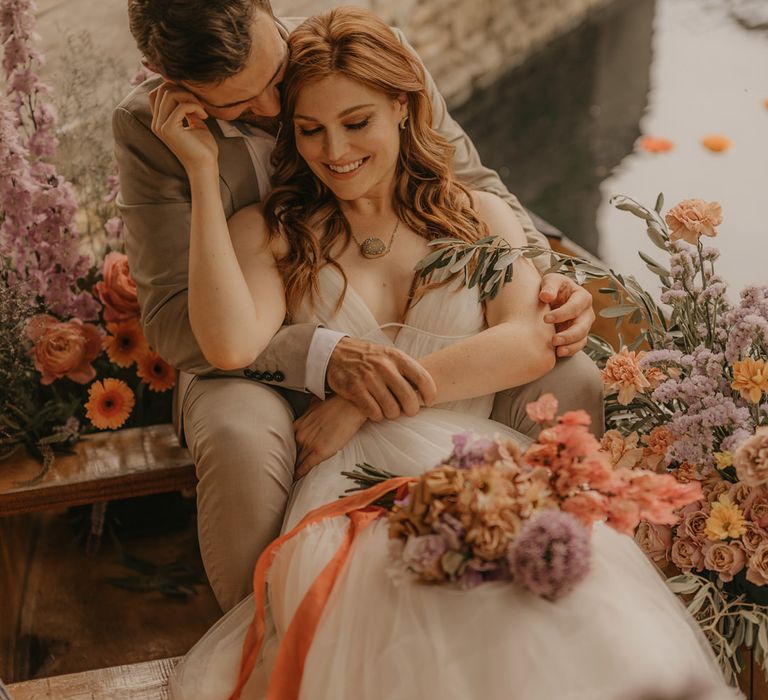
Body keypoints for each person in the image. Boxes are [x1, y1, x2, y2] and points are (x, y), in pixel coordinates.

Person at [156, 9, 738, 700]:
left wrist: (357, 401)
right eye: (309, 130)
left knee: (544, 601)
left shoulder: (475, 214)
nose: (333, 149)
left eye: (357, 121)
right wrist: (197, 172)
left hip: (486, 468)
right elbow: (226, 343)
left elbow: (528, 342)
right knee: (413, 611)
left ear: (403, 107)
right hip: (353, 499)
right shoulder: (275, 233)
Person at [115, 0, 603, 612]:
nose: (273, 109)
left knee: (568, 380)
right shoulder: (171, 152)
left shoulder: (359, 56)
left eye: (274, 80)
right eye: (236, 105)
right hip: (262, 354)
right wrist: (324, 359)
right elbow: (185, 327)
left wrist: (549, 285)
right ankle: (257, 625)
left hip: (427, 389)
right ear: (169, 81)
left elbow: (472, 186)